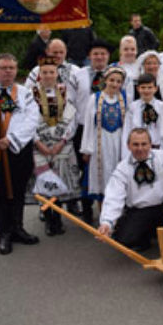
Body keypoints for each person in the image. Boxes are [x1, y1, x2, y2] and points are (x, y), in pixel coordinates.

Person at [0, 53, 41, 255]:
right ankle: (3, 233)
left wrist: (11, 139)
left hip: (17, 148)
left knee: (18, 189)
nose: (8, 72)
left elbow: (32, 120)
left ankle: (17, 228)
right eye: (3, 68)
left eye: (11, 68)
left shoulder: (24, 93)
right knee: (0, 190)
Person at [98, 128, 163, 251]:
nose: (140, 148)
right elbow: (114, 196)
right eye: (135, 144)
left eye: (144, 144)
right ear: (128, 146)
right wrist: (107, 222)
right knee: (124, 239)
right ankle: (147, 236)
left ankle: (156, 232)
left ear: (150, 144)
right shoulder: (122, 168)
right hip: (139, 211)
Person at [31, 56, 81, 236]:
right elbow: (27, 121)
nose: (48, 75)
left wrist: (62, 141)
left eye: (51, 72)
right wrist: (38, 142)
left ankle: (58, 220)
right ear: (39, 74)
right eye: (44, 72)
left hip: (62, 146)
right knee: (45, 182)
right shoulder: (31, 94)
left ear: (57, 73)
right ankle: (48, 220)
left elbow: (72, 118)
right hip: (40, 146)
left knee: (59, 182)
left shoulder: (65, 92)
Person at [69, 38, 114, 224]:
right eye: (95, 54)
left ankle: (109, 210)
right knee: (85, 170)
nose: (99, 57)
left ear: (108, 56)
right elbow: (70, 102)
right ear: (89, 56)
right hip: (82, 129)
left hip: (108, 130)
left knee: (107, 169)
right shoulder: (78, 75)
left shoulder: (115, 74)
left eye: (103, 54)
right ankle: (86, 210)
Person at [81, 66, 128, 201]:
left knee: (117, 173)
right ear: (105, 80)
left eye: (118, 81)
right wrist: (87, 148)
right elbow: (89, 124)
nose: (115, 84)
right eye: (112, 80)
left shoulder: (124, 99)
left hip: (118, 141)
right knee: (102, 175)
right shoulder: (95, 98)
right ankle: (102, 210)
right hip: (100, 142)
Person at [121, 73, 163, 156]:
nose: (146, 91)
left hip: (157, 149)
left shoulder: (162, 107)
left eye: (150, 87)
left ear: (156, 89)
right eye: (143, 88)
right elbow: (127, 131)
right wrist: (126, 154)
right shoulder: (132, 108)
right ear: (138, 89)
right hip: (138, 151)